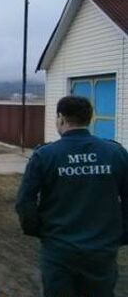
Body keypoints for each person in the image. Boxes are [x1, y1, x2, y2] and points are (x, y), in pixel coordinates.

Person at [15, 96, 128, 297]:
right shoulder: (115, 153)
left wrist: (38, 230)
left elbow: (25, 202)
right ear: (89, 119)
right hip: (101, 250)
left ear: (60, 118)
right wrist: (121, 235)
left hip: (59, 249)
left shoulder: (45, 155)